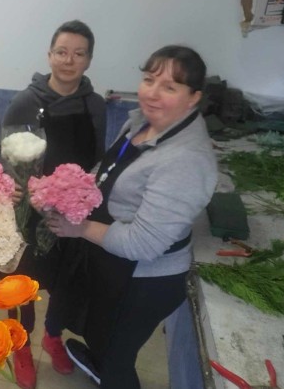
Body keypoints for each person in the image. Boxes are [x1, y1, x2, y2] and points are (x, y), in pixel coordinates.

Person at [46, 45, 218, 389]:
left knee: (116, 358)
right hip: (113, 261)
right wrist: (70, 188)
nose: (152, 93)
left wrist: (80, 227)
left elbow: (143, 243)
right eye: (149, 79)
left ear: (193, 98)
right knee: (102, 335)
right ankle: (98, 357)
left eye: (169, 87)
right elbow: (108, 169)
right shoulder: (142, 121)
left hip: (145, 279)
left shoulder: (187, 160)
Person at [0, 20, 107, 389]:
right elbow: (4, 155)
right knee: (22, 284)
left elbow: (97, 159)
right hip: (29, 213)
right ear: (49, 55)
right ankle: (21, 345)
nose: (68, 60)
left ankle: (53, 335)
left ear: (88, 60)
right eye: (61, 52)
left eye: (78, 54)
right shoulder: (26, 102)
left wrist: (82, 193)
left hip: (72, 214)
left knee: (66, 283)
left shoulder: (95, 105)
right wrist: (12, 188)